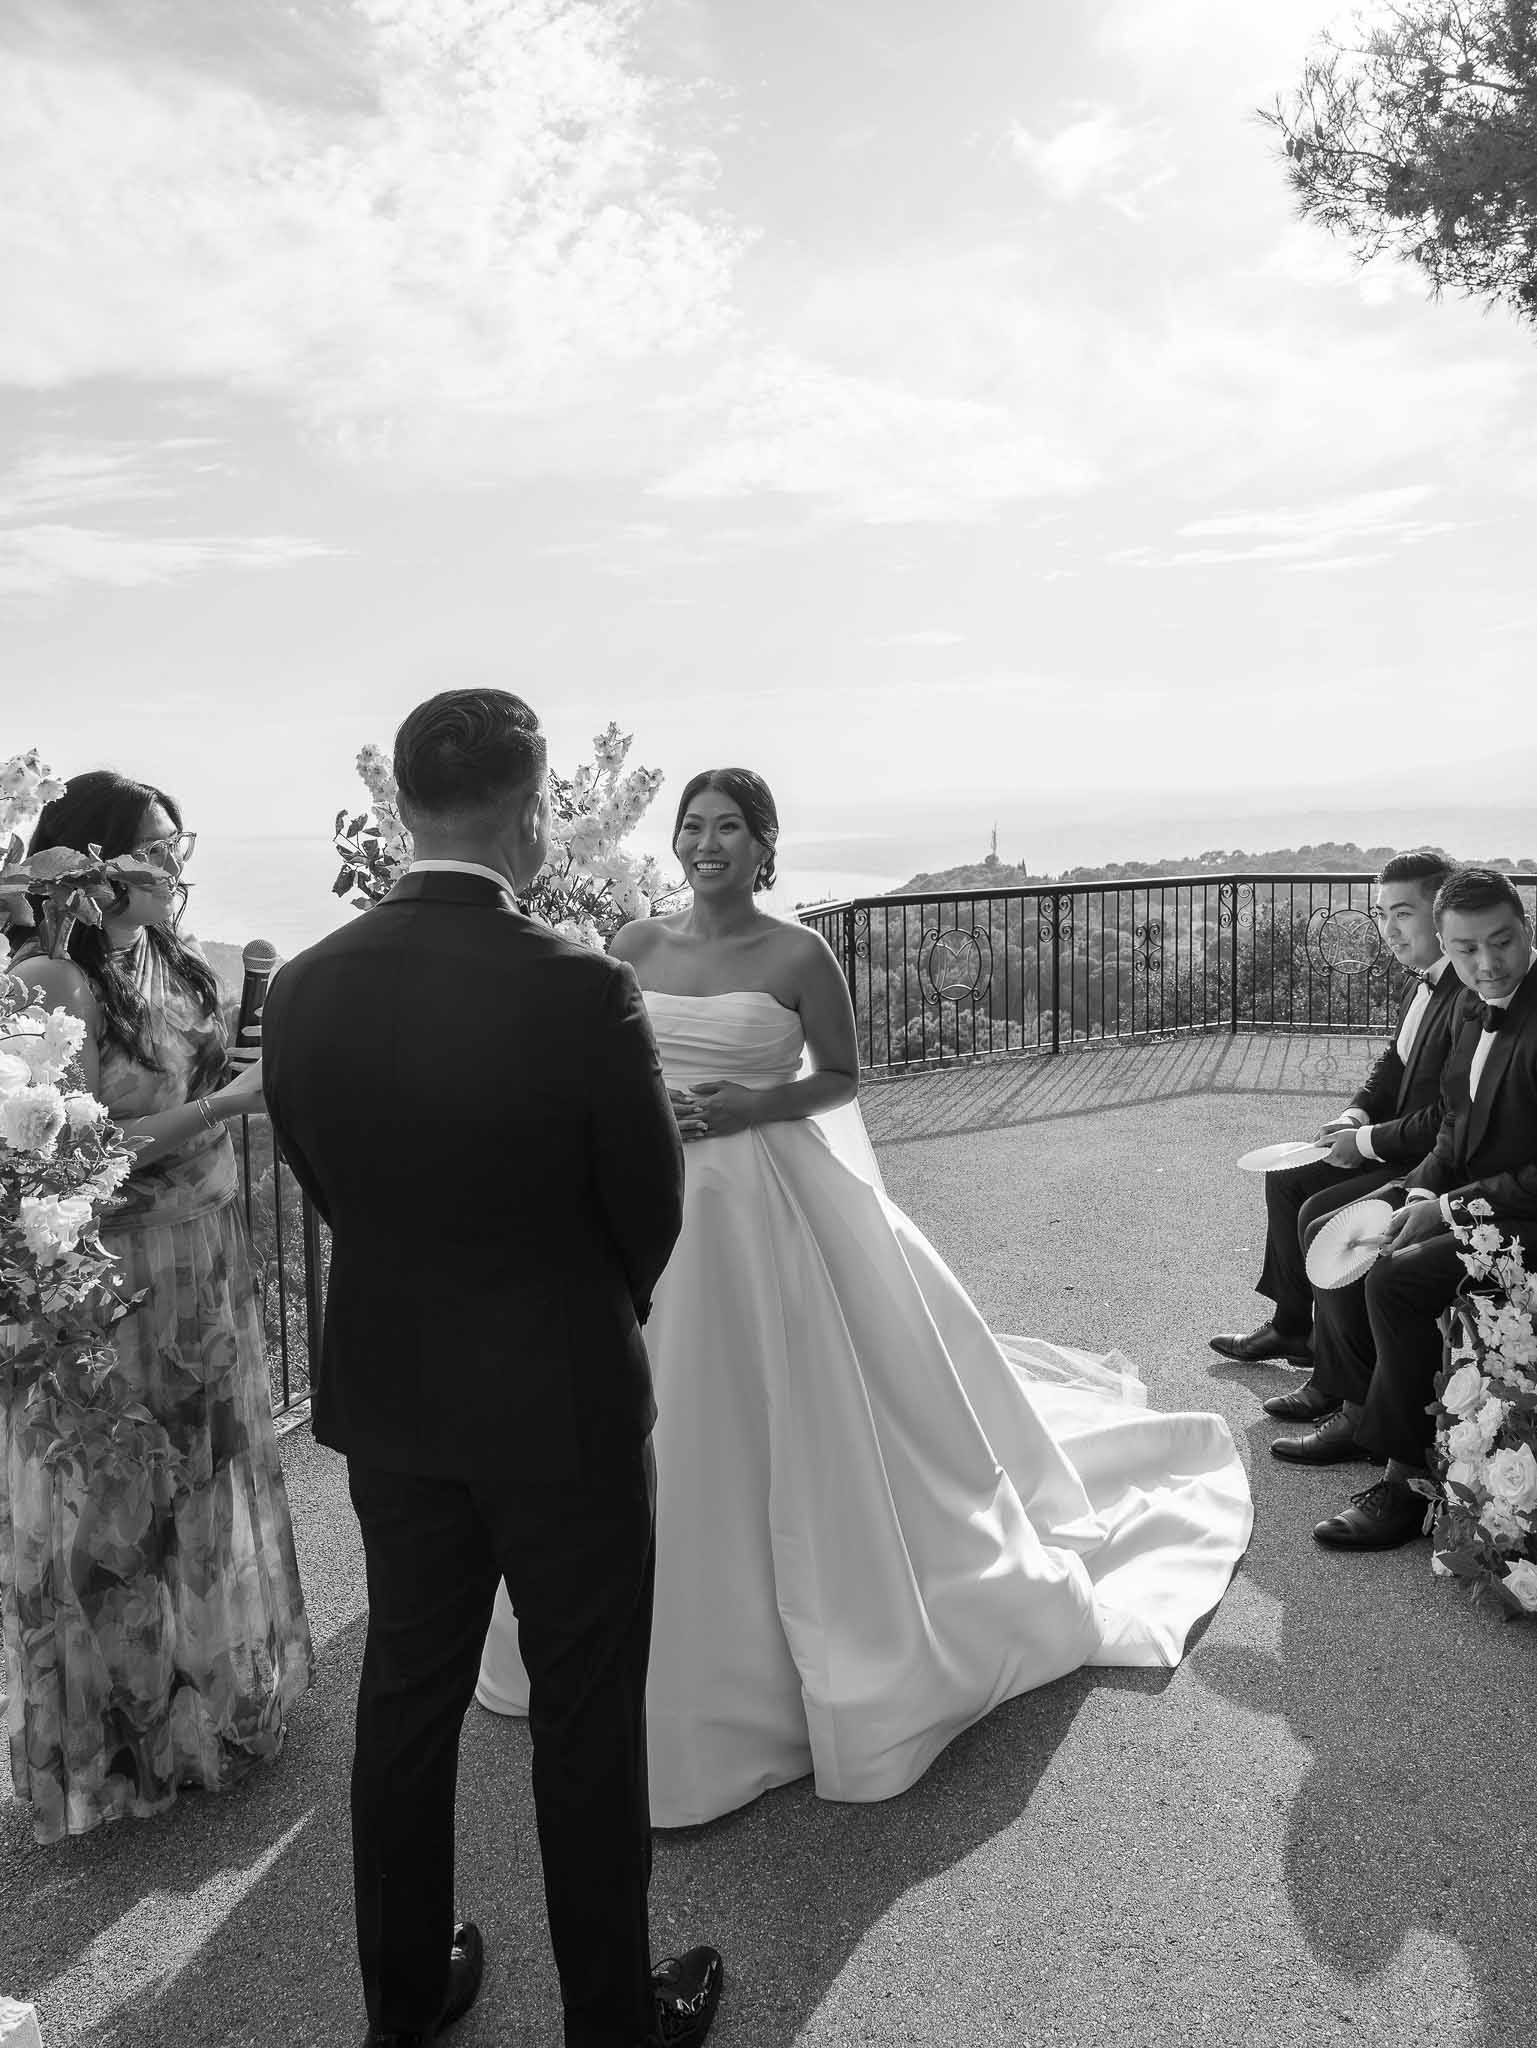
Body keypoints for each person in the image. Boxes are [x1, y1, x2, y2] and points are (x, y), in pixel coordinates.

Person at [477, 768, 1253, 1829]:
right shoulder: (632, 942)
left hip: (759, 1196)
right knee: (634, 1400)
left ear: (764, 846)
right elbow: (593, 1060)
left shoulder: (799, 953)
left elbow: (840, 1076)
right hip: (644, 1194)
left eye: (730, 829)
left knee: (764, 1397)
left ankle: (763, 1646)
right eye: (693, 827)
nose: (708, 844)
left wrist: (755, 1102)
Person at [260, 692, 722, 2048]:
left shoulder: (305, 984)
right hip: (564, 1403)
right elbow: (649, 1201)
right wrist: (597, 1308)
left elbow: (320, 1174)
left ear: (403, 809)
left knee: (405, 1700)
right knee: (585, 1714)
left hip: (395, 1400)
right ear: (530, 817)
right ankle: (608, 2023)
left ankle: (404, 2007)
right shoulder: (577, 984)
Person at [1, 771, 313, 1845]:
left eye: (181, 839)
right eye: (156, 844)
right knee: (117, 1508)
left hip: (207, 1252)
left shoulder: (169, 960)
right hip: (117, 1277)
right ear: (91, 863)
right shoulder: (48, 979)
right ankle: (119, 1742)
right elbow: (47, 1160)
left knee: (203, 1482)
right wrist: (223, 1106)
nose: (176, 860)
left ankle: (202, 1714)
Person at [1294, 867, 1537, 1548]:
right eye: (1466, 951)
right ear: (1449, 947)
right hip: (1473, 1198)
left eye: (1502, 942)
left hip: (1525, 1215)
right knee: (1344, 1229)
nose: (1486, 964)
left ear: (1526, 928)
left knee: (1397, 1277)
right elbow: (1456, 1127)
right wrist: (1422, 1191)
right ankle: (1363, 1411)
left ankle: (1403, 1486)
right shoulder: (1468, 1004)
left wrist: (1448, 1210)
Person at [1210, 849, 1459, 1408]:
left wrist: (1366, 1143)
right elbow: (1391, 1067)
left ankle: (1336, 1381)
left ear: (1442, 914)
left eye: (1403, 914)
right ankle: (1292, 1325)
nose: (1389, 931)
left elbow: (1448, 1118)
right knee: (1288, 1176)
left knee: (1317, 1217)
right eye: (1383, 914)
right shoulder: (1420, 983)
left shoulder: (1466, 992)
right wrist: (1353, 1116)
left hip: (1422, 1157)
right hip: (1391, 1136)